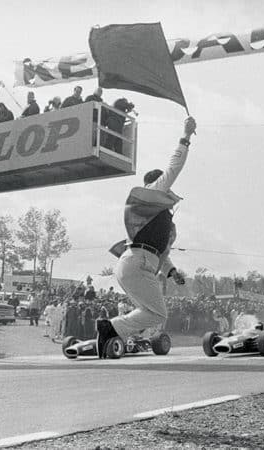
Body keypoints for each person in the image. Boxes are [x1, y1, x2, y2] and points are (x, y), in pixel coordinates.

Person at [96, 116, 196, 358]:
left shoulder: (153, 212)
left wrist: (172, 273)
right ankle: (112, 327)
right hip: (139, 263)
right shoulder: (154, 192)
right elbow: (174, 167)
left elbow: (162, 253)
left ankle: (112, 335)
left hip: (134, 262)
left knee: (146, 310)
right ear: (157, 183)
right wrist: (186, 136)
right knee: (158, 314)